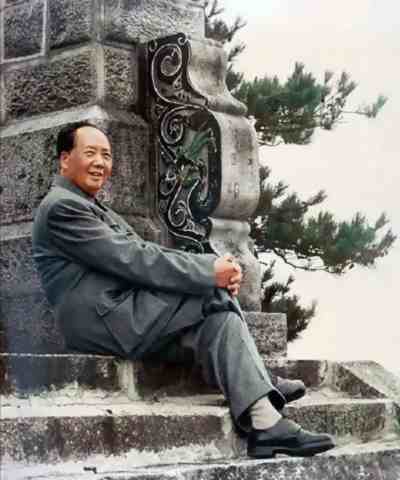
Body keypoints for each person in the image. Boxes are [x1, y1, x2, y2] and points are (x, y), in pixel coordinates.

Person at [32, 122, 335, 459]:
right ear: (65, 159)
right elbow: (135, 259)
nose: (101, 163)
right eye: (90, 153)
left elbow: (143, 254)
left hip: (122, 311)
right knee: (212, 294)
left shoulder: (91, 206)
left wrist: (213, 271)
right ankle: (262, 387)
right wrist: (210, 272)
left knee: (217, 322)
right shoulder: (62, 207)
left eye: (107, 155)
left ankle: (264, 419)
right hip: (103, 320)